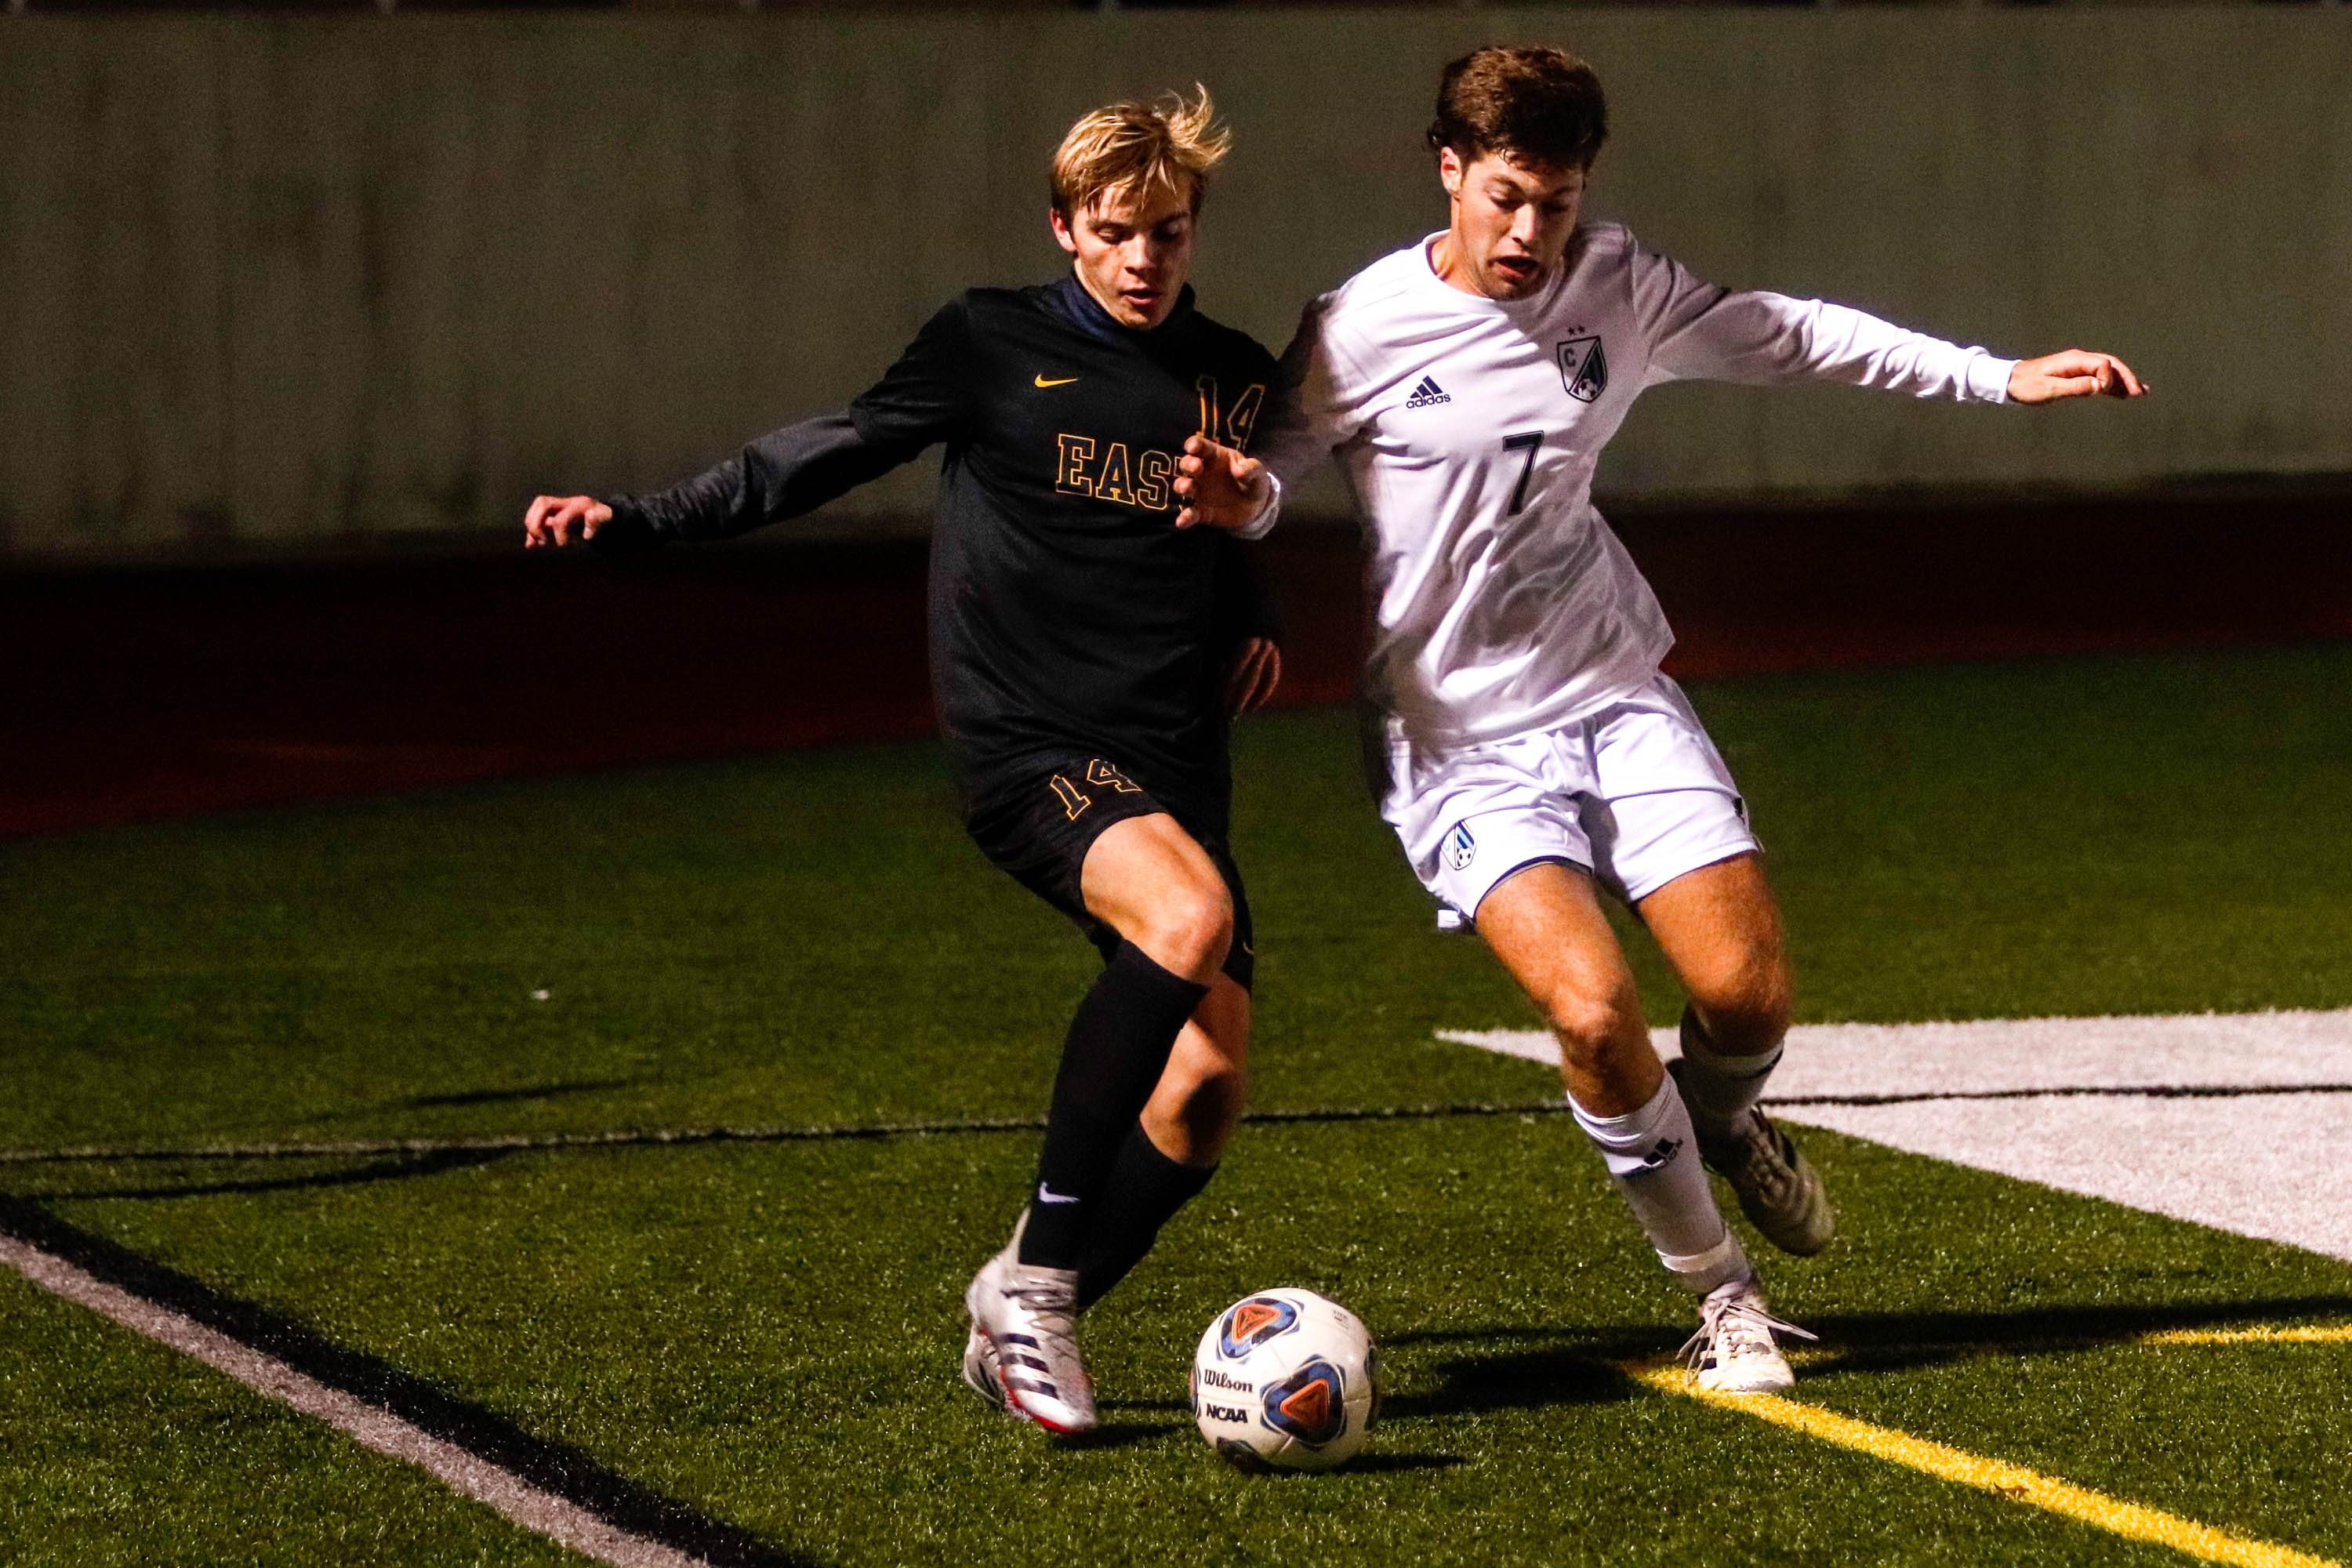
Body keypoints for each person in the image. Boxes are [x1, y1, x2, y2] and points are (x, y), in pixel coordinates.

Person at [1250, 45, 2146, 1391]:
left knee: (1744, 993)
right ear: (1448, 168)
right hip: (1455, 739)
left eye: (1555, 203)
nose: (1528, 233)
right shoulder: (1356, 325)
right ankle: (1722, 1291)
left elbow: (1793, 333)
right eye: (1504, 197)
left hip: (1613, 690)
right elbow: (1267, 477)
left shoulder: (1618, 286)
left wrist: (1994, 375)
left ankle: (1726, 1120)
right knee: (1599, 1013)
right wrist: (1234, 506)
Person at [522, 88, 1285, 1435]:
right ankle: (1044, 1291)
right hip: (1031, 738)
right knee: (1189, 915)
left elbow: (1213, 528)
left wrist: (1254, 603)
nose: (1142, 260)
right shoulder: (990, 340)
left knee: (1210, 1086)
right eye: (1114, 233)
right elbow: (823, 452)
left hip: (1174, 752)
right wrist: (640, 518)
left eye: (1167, 233)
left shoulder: (1229, 368)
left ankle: (1014, 1309)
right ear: (1064, 227)